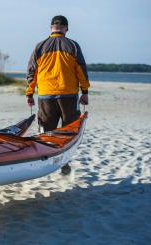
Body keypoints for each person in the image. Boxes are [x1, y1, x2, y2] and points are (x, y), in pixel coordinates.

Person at [25, 15, 90, 175]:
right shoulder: (73, 46)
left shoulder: (39, 46)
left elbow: (32, 73)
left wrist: (29, 93)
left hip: (46, 95)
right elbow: (81, 70)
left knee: (47, 132)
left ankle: (44, 163)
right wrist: (85, 92)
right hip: (68, 95)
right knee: (68, 131)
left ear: (51, 28)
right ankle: (64, 162)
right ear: (66, 28)